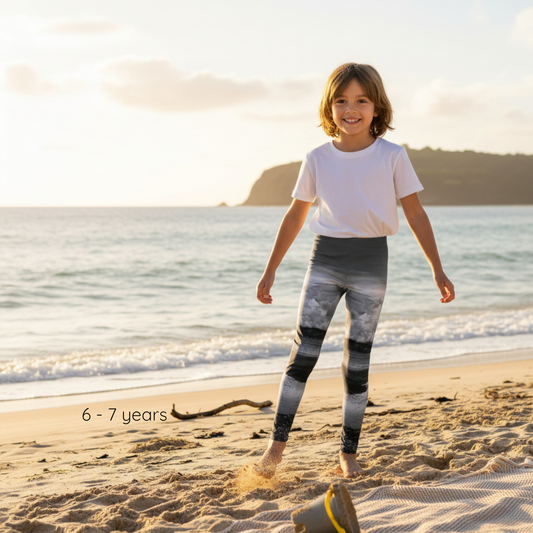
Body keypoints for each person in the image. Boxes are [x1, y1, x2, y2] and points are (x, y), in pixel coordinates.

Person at [253, 63, 455, 479]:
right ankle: (275, 449)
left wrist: (438, 269)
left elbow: (415, 215)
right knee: (302, 355)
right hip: (323, 260)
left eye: (361, 100)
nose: (351, 109)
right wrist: (270, 269)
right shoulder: (317, 158)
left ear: (377, 107)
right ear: (330, 106)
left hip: (371, 263)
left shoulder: (392, 156)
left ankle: (347, 452)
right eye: (342, 100)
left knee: (357, 362)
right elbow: (295, 216)